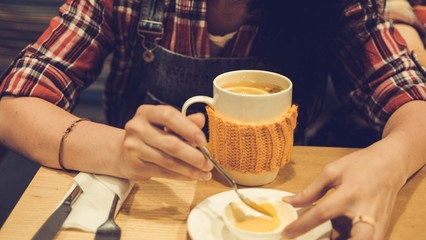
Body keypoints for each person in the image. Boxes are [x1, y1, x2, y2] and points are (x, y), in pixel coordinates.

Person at [0, 0, 425, 239]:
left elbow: (411, 97)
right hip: (149, 208)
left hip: (293, 202)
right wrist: (117, 150)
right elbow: (14, 103)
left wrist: (391, 159)